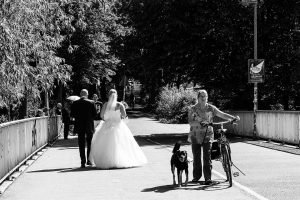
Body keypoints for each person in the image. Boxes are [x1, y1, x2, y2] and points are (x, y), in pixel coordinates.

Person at [188, 89, 239, 185]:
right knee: (197, 157)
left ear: (207, 98)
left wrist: (232, 118)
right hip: (195, 135)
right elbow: (190, 121)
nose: (203, 98)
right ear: (198, 98)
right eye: (201, 96)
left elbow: (222, 114)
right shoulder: (192, 109)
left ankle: (208, 178)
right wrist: (200, 121)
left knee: (207, 157)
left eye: (205, 96)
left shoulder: (211, 108)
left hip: (207, 135)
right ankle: (196, 177)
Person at [89, 89, 147, 169]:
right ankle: (120, 160)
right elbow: (124, 116)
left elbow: (101, 115)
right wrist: (118, 117)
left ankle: (108, 161)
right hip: (119, 125)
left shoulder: (106, 105)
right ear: (116, 95)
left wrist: (107, 118)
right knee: (122, 143)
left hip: (107, 125)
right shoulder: (120, 105)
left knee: (105, 144)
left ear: (109, 95)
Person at [70, 89, 97, 168]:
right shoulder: (91, 102)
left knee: (81, 144)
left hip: (79, 125)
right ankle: (89, 160)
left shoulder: (75, 103)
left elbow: (72, 115)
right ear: (87, 95)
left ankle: (82, 161)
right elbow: (94, 115)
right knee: (90, 143)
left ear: (80, 94)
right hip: (89, 125)